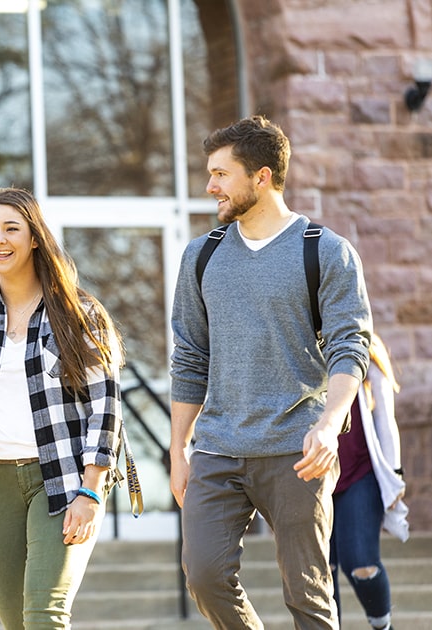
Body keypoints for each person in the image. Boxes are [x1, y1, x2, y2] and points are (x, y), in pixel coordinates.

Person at [168, 115, 372, 629]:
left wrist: (328, 424)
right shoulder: (201, 256)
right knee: (204, 574)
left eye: (221, 174)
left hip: (295, 449)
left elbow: (352, 346)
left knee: (307, 593)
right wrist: (178, 449)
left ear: (261, 177)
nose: (210, 186)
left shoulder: (324, 250)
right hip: (218, 447)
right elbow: (190, 355)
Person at [0, 187, 124, 629]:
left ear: (34, 237)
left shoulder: (80, 313)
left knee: (43, 616)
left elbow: (105, 404)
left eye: (11, 228)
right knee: (16, 622)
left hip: (61, 478)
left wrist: (91, 490)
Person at [330, 333, 408, 630]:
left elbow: (386, 422)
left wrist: (395, 474)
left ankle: (382, 624)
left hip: (359, 475)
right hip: (313, 479)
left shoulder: (365, 351)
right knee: (321, 571)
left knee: (360, 562)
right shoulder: (301, 345)